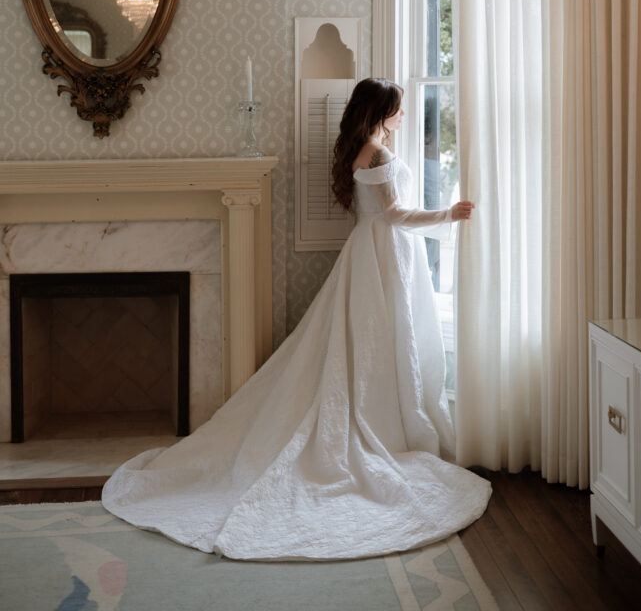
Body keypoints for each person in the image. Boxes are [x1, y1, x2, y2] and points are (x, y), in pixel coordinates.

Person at [102, 78, 491, 560]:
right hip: (383, 255)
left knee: (371, 343)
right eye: (398, 109)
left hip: (372, 255)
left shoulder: (364, 149)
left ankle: (388, 420)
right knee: (377, 343)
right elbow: (394, 216)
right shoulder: (378, 154)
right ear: (381, 111)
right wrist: (447, 215)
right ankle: (386, 427)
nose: (404, 116)